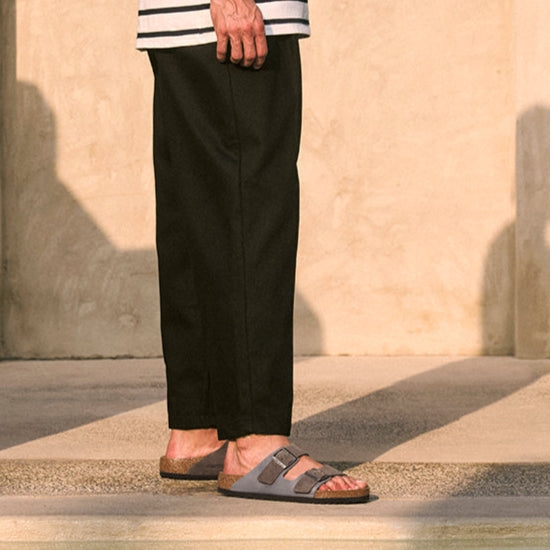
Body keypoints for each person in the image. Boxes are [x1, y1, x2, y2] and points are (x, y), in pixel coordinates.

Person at [137, 0, 369, 503]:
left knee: (197, 210)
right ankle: (256, 443)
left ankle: (199, 429)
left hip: (186, 23)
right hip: (240, 16)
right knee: (252, 212)